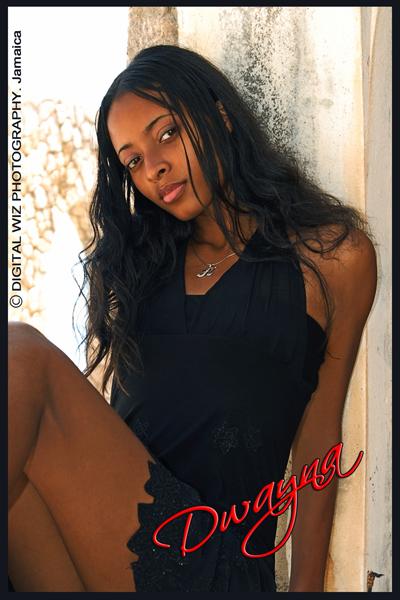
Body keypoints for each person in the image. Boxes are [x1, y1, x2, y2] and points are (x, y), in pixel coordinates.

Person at [8, 44, 378, 592]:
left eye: (167, 133)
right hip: (106, 555)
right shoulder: (141, 272)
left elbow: (319, 440)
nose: (154, 167)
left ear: (219, 115)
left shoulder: (332, 259)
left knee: (19, 353)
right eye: (133, 161)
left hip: (214, 559)